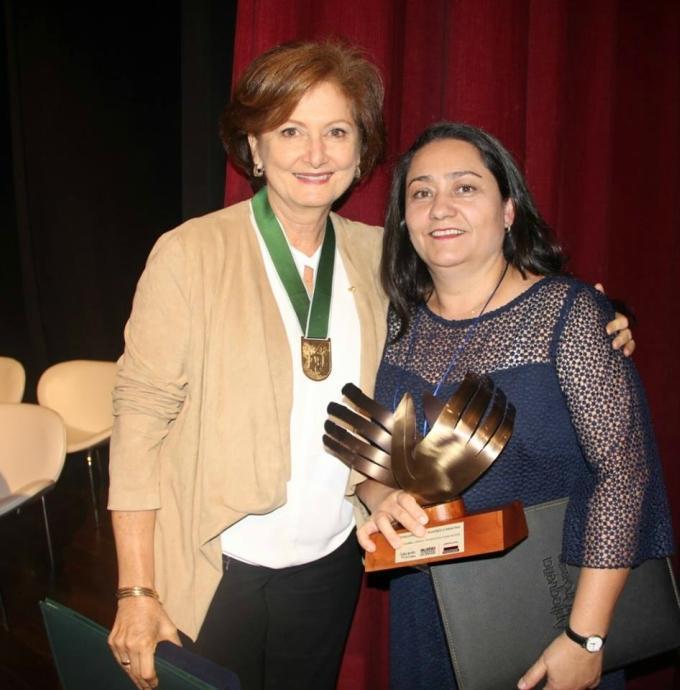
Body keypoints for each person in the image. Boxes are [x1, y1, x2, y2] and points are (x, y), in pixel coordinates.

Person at [106, 40, 635, 690]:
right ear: (253, 148)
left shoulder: (381, 257)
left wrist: (598, 317)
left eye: (337, 131)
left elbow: (476, 301)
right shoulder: (190, 254)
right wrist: (136, 586)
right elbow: (138, 420)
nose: (315, 152)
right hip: (212, 561)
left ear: (360, 155)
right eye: (290, 130)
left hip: (330, 563)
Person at [355, 122, 674, 690]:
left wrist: (586, 638)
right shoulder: (401, 327)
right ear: (404, 221)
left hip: (551, 615)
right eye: (421, 192)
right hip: (429, 613)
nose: (440, 207)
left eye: (466, 188)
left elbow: (624, 477)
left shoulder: (569, 315)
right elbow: (376, 466)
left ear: (508, 209)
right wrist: (385, 500)